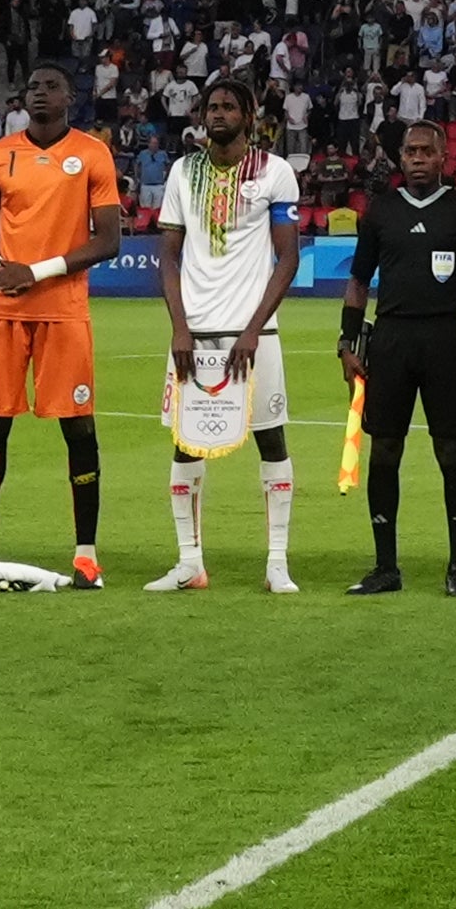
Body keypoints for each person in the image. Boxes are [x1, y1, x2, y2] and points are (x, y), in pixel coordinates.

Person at [0, 65, 130, 587]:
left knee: (79, 430)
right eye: (33, 87)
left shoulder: (93, 153)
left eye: (51, 86)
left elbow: (109, 241)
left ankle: (86, 556)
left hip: (64, 310)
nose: (39, 93)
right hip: (5, 312)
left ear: (70, 99)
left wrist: (33, 271)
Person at [145, 79, 301, 593]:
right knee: (186, 444)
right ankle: (190, 562)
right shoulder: (182, 171)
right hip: (196, 332)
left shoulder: (275, 173)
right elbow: (168, 255)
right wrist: (179, 328)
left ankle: (277, 561)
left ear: (250, 115)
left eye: (228, 106)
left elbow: (288, 258)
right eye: (211, 106)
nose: (217, 114)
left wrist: (254, 329)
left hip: (253, 335)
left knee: (271, 438)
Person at [338, 117, 456, 595]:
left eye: (428, 152)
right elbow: (359, 281)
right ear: (400, 158)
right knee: (385, 447)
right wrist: (347, 344)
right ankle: (386, 567)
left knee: (451, 449)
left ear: (444, 157)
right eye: (411, 152)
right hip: (391, 341)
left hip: (446, 340)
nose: (419, 159)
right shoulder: (381, 211)